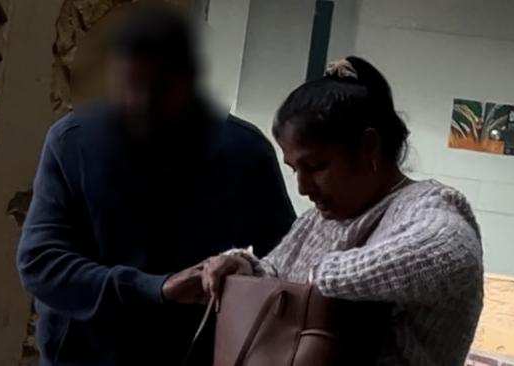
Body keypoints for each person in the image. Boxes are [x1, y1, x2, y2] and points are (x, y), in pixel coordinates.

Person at [16, 7, 295, 366]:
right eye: (130, 86)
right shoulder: (73, 143)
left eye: (161, 87)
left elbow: (285, 263)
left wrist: (244, 269)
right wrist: (156, 288)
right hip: (84, 357)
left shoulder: (246, 153)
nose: (141, 103)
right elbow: (40, 262)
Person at [201, 57, 484, 366]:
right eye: (295, 169)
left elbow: (450, 253)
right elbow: (277, 276)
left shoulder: (430, 209)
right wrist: (245, 270)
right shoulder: (319, 220)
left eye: (316, 166)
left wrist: (322, 277)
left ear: (369, 147)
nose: (303, 188)